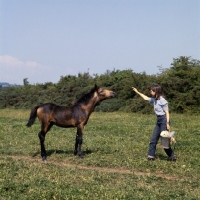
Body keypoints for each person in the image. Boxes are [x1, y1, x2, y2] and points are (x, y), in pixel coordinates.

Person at [132, 85, 176, 161]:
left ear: (156, 91)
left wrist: (167, 123)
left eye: (152, 90)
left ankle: (172, 157)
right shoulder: (155, 99)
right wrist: (137, 91)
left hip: (164, 120)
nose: (150, 91)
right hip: (159, 121)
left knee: (164, 141)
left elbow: (167, 113)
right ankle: (151, 156)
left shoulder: (163, 100)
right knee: (153, 140)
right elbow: (145, 98)